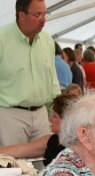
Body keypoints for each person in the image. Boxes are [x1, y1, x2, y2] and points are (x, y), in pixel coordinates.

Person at [0, 0, 61, 147]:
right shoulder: (2, 38)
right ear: (21, 15)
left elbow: (52, 78)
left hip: (41, 115)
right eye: (38, 14)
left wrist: (59, 106)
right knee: (13, 166)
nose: (43, 19)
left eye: (45, 14)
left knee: (43, 166)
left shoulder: (47, 41)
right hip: (9, 115)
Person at [0, 94, 77, 166]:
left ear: (67, 120)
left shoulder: (79, 145)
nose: (50, 119)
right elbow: (18, 150)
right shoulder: (52, 139)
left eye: (54, 116)